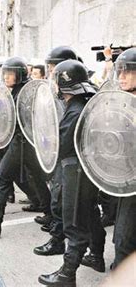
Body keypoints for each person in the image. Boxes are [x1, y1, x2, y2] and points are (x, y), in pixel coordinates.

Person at [38, 60, 106, 286]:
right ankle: (96, 255)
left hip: (74, 170)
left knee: (74, 223)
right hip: (83, 169)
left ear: (61, 83)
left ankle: (67, 274)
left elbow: (61, 144)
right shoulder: (82, 102)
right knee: (88, 213)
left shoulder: (75, 109)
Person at [0, 57, 50, 239]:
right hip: (29, 144)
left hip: (21, 143)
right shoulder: (23, 90)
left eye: (10, 73)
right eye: (5, 73)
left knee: (0, 179)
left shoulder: (22, 93)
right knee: (38, 180)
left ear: (20, 75)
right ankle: (52, 215)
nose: (6, 77)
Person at [33, 46, 79, 256]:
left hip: (70, 156)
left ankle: (59, 241)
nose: (50, 73)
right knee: (77, 209)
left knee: (64, 204)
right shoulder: (59, 91)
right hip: (61, 153)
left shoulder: (75, 90)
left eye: (53, 68)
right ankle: (93, 252)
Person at [111, 47, 136, 269]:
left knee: (124, 239)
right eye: (120, 71)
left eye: (128, 71)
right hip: (127, 179)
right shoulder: (123, 101)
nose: (121, 77)